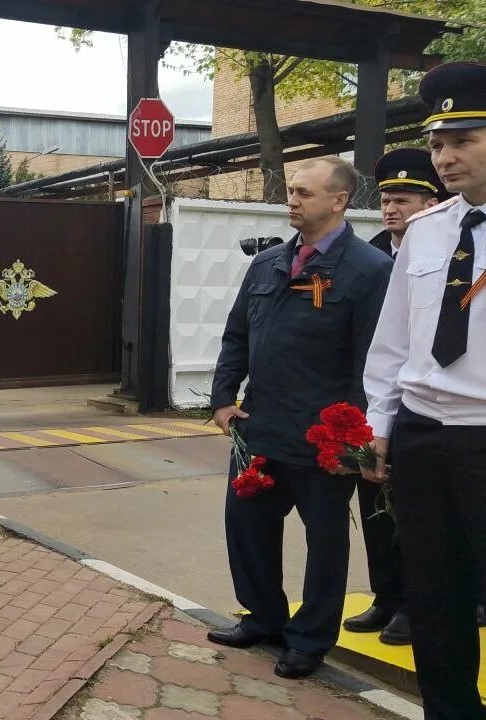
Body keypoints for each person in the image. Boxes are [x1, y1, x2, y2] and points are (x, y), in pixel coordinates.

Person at [207, 156, 392, 678]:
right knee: (247, 529)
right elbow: (236, 335)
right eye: (290, 191)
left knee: (325, 544)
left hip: (325, 439)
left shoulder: (369, 271)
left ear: (339, 200)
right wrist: (223, 399)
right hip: (260, 429)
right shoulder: (267, 265)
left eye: (304, 193)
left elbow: (372, 363)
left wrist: (355, 445)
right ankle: (263, 617)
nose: (292, 200)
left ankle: (309, 639)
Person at [363, 61, 486, 719]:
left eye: (462, 139)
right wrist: (380, 426)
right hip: (421, 436)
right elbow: (392, 344)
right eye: (439, 143)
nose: (445, 157)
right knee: (435, 597)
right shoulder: (429, 230)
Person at [345, 149, 449, 645]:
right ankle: (386, 596)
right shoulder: (365, 258)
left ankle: (413, 604)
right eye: (386, 199)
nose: (391, 209)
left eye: (403, 199)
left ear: (432, 202)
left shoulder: (455, 252)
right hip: (372, 403)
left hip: (427, 406)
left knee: (415, 512)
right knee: (374, 506)